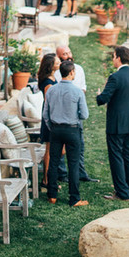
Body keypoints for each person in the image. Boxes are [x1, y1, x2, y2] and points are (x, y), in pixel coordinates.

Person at [96, 45, 129, 201]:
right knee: (128, 155)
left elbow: (102, 99)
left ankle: (121, 192)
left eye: (113, 56)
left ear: (118, 58)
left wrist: (99, 94)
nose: (113, 59)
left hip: (117, 124)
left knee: (116, 157)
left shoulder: (115, 77)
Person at [42, 59, 89, 207]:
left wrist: (52, 126)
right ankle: (74, 198)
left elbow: (45, 114)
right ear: (72, 72)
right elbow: (85, 115)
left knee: (54, 162)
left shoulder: (51, 90)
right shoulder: (77, 91)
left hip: (55, 129)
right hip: (72, 129)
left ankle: (52, 195)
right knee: (73, 164)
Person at [55, 46, 98, 183]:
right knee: (63, 148)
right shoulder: (56, 73)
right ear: (59, 56)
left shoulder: (79, 69)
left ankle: (81, 173)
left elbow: (83, 87)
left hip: (76, 111)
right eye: (64, 54)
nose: (68, 56)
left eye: (69, 52)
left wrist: (77, 98)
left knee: (80, 146)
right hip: (64, 115)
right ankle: (62, 174)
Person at [37, 53, 60, 188]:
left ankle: (50, 178)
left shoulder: (51, 78)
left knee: (54, 150)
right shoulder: (48, 83)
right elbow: (48, 102)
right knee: (50, 150)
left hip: (51, 116)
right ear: (51, 66)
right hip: (50, 118)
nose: (59, 64)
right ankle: (46, 180)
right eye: (57, 62)